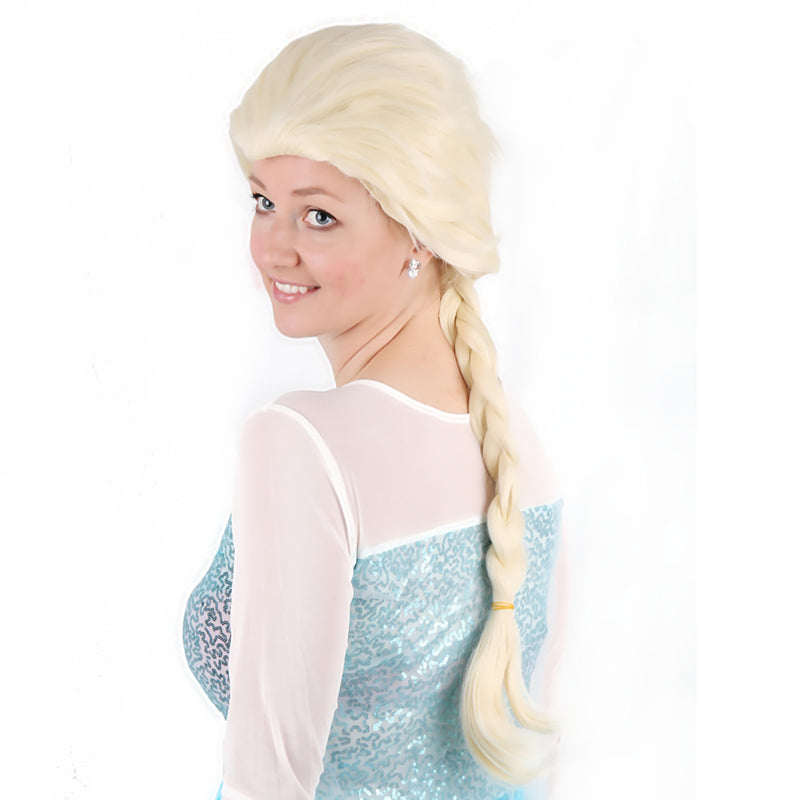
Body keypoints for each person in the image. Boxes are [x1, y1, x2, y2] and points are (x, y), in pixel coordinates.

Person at [182, 22, 565, 800]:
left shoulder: (302, 444)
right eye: (263, 202)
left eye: (318, 215)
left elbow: (268, 785)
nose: (273, 249)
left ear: (419, 231)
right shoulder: (516, 439)